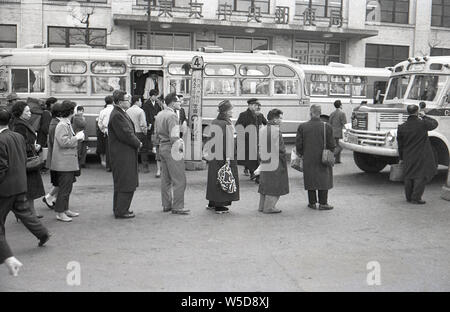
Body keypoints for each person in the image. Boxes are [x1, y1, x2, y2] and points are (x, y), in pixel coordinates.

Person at [1, 109, 50, 276]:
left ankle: (5, 252)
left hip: (5, 188)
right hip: (20, 183)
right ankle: (43, 233)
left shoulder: (0, 140)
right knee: (25, 213)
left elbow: (1, 167)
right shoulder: (17, 136)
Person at [108, 90, 142, 219]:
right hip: (123, 154)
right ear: (121, 102)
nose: (129, 101)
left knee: (122, 181)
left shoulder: (120, 113)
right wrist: (138, 143)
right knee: (126, 181)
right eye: (127, 99)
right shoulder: (118, 115)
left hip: (122, 153)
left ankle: (119, 208)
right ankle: (122, 210)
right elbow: (126, 134)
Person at [154, 92, 189, 215]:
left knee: (165, 179)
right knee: (179, 179)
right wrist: (180, 148)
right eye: (179, 101)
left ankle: (166, 204)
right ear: (173, 103)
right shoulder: (172, 116)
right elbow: (174, 135)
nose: (180, 103)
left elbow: (156, 134)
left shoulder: (159, 114)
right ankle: (178, 207)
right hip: (172, 148)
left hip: (162, 147)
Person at [296, 105, 336, 210]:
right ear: (320, 113)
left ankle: (312, 203)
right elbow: (332, 145)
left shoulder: (302, 126)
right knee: (323, 179)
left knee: (310, 179)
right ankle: (323, 203)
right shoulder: (326, 126)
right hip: (323, 158)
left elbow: (299, 145)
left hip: (308, 157)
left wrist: (301, 153)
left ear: (310, 113)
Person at [397, 104, 438, 204]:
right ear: (417, 112)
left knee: (408, 175)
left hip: (407, 154)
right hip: (421, 154)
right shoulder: (423, 124)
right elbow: (435, 123)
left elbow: (400, 144)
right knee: (420, 176)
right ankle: (416, 198)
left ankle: (408, 197)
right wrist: (424, 116)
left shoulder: (402, 127)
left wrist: (401, 157)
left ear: (408, 112)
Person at [11, 101, 46, 219]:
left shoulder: (21, 123)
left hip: (27, 158)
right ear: (20, 113)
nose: (30, 113)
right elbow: (21, 143)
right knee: (28, 188)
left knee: (29, 189)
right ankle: (26, 212)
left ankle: (30, 211)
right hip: (26, 159)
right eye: (27, 111)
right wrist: (33, 147)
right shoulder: (20, 126)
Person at [51, 101, 84, 222]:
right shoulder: (62, 125)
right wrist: (77, 137)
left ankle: (65, 209)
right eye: (75, 108)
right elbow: (64, 142)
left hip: (67, 162)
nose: (77, 110)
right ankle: (60, 212)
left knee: (67, 188)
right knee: (64, 189)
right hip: (63, 163)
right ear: (70, 110)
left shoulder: (66, 123)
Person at [205, 100, 240, 214]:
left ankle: (212, 202)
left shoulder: (214, 122)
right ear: (225, 112)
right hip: (224, 156)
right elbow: (229, 143)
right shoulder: (227, 124)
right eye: (230, 110)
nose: (232, 112)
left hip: (214, 155)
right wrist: (229, 158)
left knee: (214, 178)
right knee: (224, 178)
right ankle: (219, 205)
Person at [258, 109, 289, 214]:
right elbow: (280, 149)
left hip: (265, 160)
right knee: (275, 184)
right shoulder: (276, 131)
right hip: (275, 162)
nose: (282, 120)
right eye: (280, 118)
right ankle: (269, 207)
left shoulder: (263, 129)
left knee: (265, 183)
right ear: (275, 120)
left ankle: (262, 206)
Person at [235, 98, 262, 182]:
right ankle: (255, 175)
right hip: (247, 141)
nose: (256, 107)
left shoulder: (257, 115)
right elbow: (238, 126)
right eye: (254, 105)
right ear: (249, 105)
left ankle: (254, 174)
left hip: (255, 140)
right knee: (253, 159)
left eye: (256, 105)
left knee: (254, 158)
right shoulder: (243, 115)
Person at [43, 103, 62, 209]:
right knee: (59, 182)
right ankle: (49, 197)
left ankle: (54, 199)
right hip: (57, 158)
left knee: (59, 181)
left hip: (55, 158)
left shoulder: (55, 122)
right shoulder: (56, 125)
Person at [142, 89, 164, 177]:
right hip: (150, 124)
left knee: (156, 140)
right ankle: (145, 164)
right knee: (147, 143)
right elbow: (145, 115)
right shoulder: (146, 104)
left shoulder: (158, 104)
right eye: (154, 96)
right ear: (150, 96)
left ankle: (154, 148)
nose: (155, 97)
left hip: (157, 124)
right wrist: (148, 123)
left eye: (156, 96)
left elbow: (161, 112)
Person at [126, 96, 148, 173]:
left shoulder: (127, 111)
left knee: (133, 151)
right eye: (140, 101)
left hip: (131, 133)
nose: (141, 103)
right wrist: (145, 131)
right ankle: (145, 167)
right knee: (143, 150)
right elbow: (143, 124)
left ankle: (135, 167)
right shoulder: (140, 111)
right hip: (140, 133)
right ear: (137, 101)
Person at [98, 95, 114, 172]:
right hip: (115, 131)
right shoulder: (115, 110)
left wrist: (103, 130)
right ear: (113, 101)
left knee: (108, 149)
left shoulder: (102, 111)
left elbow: (100, 123)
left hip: (107, 131)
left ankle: (109, 166)